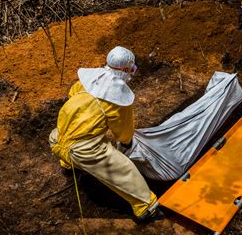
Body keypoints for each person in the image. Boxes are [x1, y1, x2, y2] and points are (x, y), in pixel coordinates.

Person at [48, 46, 162, 221]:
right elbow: (123, 133)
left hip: (56, 139)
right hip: (82, 151)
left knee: (73, 137)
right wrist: (126, 144)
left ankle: (67, 165)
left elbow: (72, 95)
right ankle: (146, 207)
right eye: (132, 69)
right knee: (123, 169)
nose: (132, 73)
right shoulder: (118, 99)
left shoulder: (87, 82)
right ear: (126, 69)